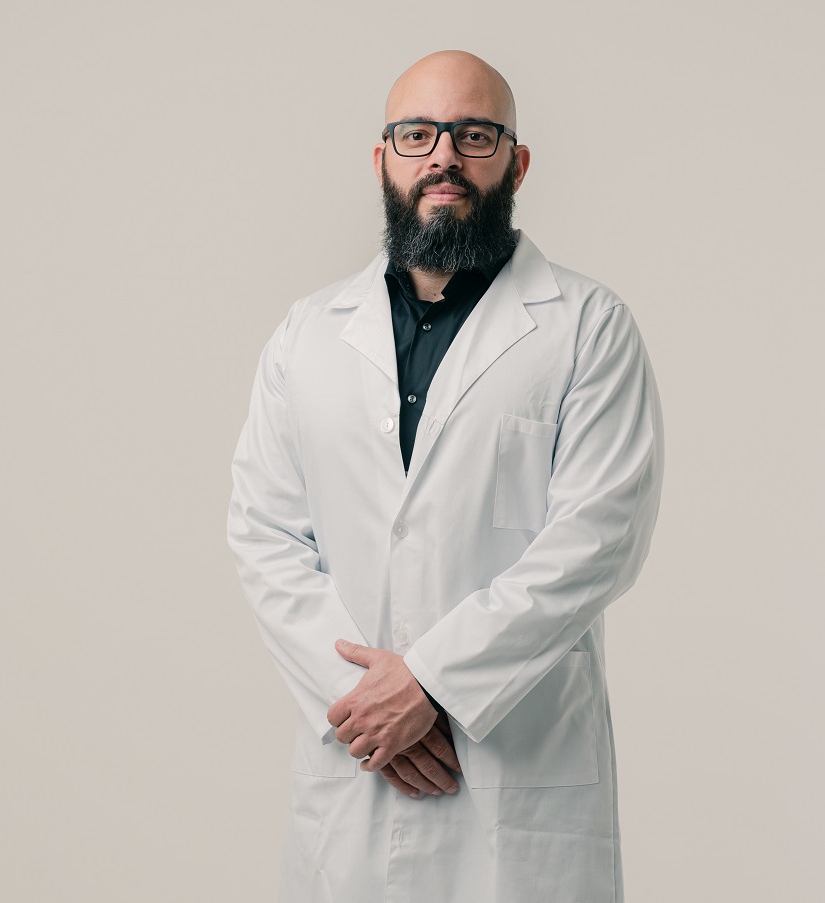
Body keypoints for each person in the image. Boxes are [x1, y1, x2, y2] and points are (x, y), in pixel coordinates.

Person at [227, 49, 664, 903]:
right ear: (382, 158)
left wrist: (432, 682)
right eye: (417, 134)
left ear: (516, 163)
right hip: (357, 769)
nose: (444, 157)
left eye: (474, 135)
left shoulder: (588, 328)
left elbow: (599, 536)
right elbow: (264, 533)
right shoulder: (306, 335)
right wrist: (366, 702)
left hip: (515, 772)